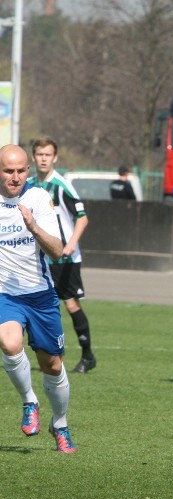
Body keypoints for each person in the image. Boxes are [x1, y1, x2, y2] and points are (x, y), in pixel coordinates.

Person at [0, 144, 76, 452]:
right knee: (9, 342)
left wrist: (33, 227)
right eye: (8, 171)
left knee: (53, 365)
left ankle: (60, 422)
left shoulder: (37, 198)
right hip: (5, 293)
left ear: (28, 171)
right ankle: (29, 401)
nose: (15, 177)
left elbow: (57, 251)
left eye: (20, 171)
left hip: (41, 295)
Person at [28, 137, 96, 374]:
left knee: (70, 304)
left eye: (48, 154)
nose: (44, 158)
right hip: (40, 258)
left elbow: (83, 217)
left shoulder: (62, 185)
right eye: (39, 154)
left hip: (65, 259)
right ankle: (49, 354)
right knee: (38, 303)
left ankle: (88, 356)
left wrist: (70, 245)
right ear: (34, 157)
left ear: (55, 158)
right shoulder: (29, 185)